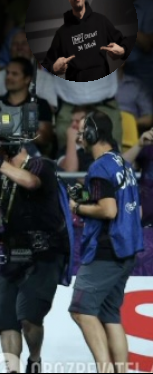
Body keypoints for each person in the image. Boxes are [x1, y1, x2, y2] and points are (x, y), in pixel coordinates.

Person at [0, 142, 71, 374]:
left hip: (44, 252)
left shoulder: (42, 165)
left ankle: (35, 359)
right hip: (12, 253)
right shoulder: (3, 176)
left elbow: (31, 182)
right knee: (6, 321)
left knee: (29, 318)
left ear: (9, 151)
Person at [69, 111, 144, 373]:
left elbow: (109, 210)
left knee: (81, 311)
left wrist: (77, 208)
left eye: (82, 132)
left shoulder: (99, 166)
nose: (79, 137)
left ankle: (106, 369)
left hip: (106, 250)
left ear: (92, 134)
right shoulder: (122, 163)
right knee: (109, 314)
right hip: (127, 249)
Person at [41, 0, 134, 82]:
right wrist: (54, 68)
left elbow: (125, 43)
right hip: (75, 89)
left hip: (103, 86)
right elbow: (47, 64)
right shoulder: (62, 33)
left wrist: (122, 50)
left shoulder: (101, 21)